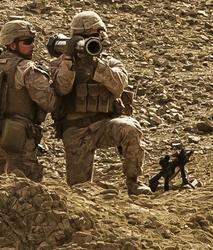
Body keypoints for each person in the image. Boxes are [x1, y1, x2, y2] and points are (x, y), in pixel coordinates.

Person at [49, 11, 151, 195]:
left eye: (94, 37)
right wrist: (69, 60)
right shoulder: (60, 63)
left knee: (130, 128)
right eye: (84, 38)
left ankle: (133, 181)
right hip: (75, 130)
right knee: (78, 190)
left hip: (104, 125)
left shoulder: (110, 63)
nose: (90, 41)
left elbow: (118, 86)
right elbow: (62, 88)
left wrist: (95, 64)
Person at [0, 20, 56, 182]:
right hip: (16, 139)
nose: (33, 46)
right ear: (12, 44)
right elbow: (49, 103)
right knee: (25, 186)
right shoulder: (27, 69)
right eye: (27, 42)